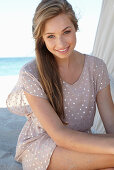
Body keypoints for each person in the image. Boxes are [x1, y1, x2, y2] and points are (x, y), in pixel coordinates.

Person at [6, 0, 114, 169]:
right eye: (51, 36)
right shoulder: (31, 73)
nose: (61, 44)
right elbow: (60, 136)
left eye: (66, 32)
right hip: (44, 147)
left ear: (75, 27)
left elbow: (112, 124)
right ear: (41, 38)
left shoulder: (96, 67)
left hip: (82, 141)